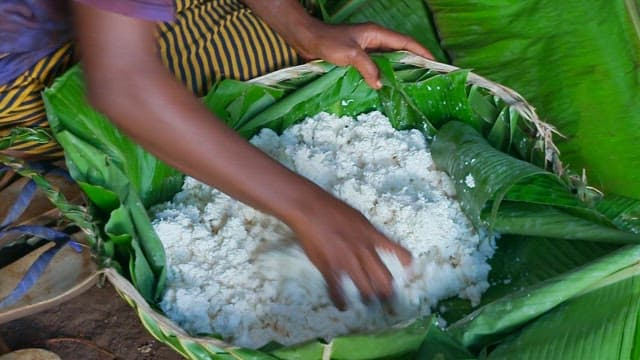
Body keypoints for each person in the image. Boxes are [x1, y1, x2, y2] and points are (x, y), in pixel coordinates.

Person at [0, 0, 434, 309]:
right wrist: (311, 211)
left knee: (278, 52)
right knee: (236, 83)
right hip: (28, 60)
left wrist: (302, 28)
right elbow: (124, 86)